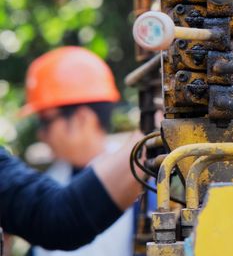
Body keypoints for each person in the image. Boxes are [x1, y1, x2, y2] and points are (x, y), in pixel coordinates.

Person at [0, 47, 142, 252]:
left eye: (46, 122)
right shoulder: (49, 185)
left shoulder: (140, 182)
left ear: (81, 119)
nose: (41, 134)